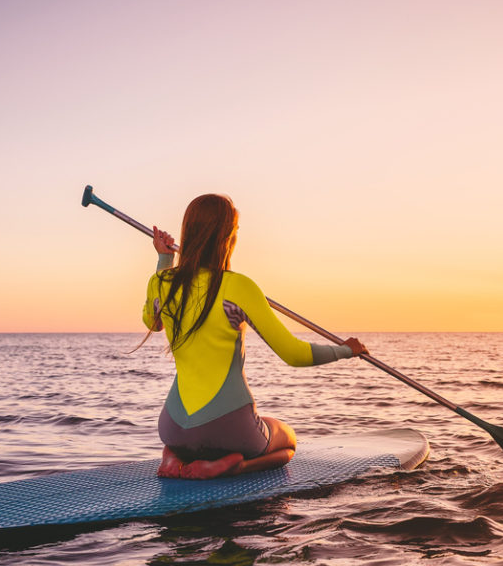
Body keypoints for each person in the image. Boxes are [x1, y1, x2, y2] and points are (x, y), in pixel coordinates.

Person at [141, 194, 367, 479]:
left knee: (190, 439)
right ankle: (232, 465)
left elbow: (153, 321)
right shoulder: (239, 287)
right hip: (229, 429)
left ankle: (173, 456)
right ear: (227, 236)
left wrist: (164, 260)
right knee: (288, 441)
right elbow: (293, 354)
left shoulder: (162, 282)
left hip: (172, 428)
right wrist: (345, 350)